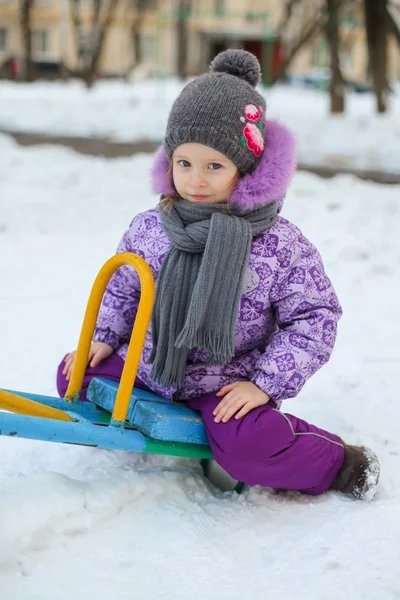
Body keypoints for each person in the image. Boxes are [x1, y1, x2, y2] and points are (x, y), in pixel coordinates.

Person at [57, 49, 379, 500]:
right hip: (153, 366)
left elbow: (315, 317)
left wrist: (263, 384)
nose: (196, 181)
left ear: (245, 169)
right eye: (184, 163)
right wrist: (106, 336)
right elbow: (125, 288)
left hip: (226, 383)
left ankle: (337, 462)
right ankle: (170, 414)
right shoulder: (152, 227)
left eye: (214, 166)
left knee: (251, 449)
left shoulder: (277, 244)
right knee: (74, 374)